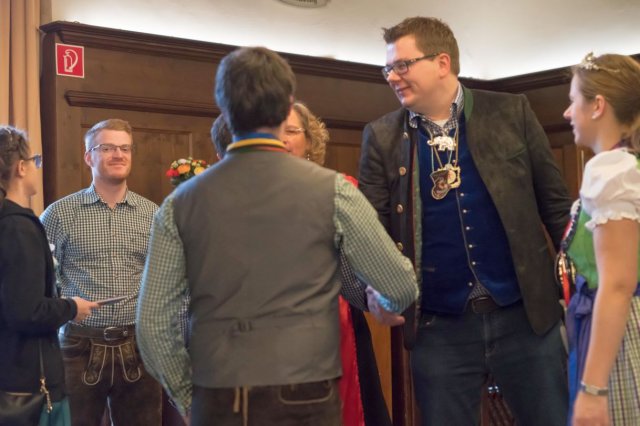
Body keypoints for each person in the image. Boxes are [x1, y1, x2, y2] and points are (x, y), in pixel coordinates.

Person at [136, 46, 418, 426]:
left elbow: (153, 324)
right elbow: (400, 285)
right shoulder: (334, 190)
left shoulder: (178, 204)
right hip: (306, 388)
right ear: (287, 106)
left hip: (217, 390)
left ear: (223, 106)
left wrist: (187, 396)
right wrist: (386, 304)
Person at [358, 16, 572, 425]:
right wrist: (372, 291)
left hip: (526, 317)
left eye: (402, 65)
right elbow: (370, 233)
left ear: (442, 62)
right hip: (438, 326)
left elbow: (557, 207)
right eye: (387, 69)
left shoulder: (511, 112)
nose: (392, 77)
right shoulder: (381, 136)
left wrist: (582, 288)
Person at [40, 119, 162, 426]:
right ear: (88, 157)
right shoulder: (59, 214)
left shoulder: (153, 214)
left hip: (139, 345)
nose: (118, 154)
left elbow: (163, 280)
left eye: (125, 148)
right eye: (107, 148)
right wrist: (63, 310)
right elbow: (42, 279)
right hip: (77, 345)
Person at [282, 102, 393, 426]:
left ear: (310, 140)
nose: (283, 139)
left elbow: (366, 266)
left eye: (292, 131)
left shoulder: (340, 190)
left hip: (337, 323)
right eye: (275, 131)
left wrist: (380, 294)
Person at [561, 52, 640, 425]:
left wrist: (593, 390)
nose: (567, 112)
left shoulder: (612, 170)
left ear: (598, 106)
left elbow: (618, 284)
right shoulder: (627, 166)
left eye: (573, 100)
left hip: (621, 332)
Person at [0, 126, 97, 425]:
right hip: (26, 385)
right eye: (36, 161)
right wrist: (72, 307)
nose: (37, 168)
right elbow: (25, 310)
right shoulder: (18, 227)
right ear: (21, 167)